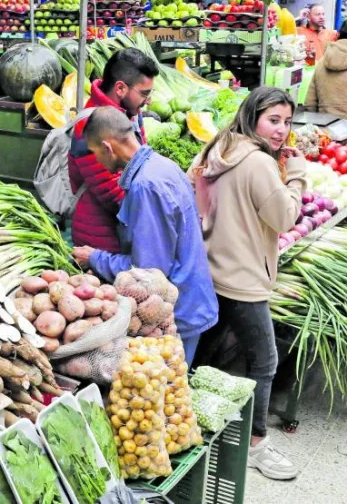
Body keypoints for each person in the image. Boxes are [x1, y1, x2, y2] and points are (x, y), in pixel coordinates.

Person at [188, 87, 305, 481]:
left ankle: (189, 417)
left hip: (211, 269)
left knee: (205, 349)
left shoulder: (218, 146)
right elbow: (285, 217)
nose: (282, 131)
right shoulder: (257, 163)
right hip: (243, 279)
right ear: (253, 116)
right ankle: (256, 445)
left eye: (287, 122)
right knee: (265, 360)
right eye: (274, 120)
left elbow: (196, 193)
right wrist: (299, 176)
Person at [71, 107, 217, 363]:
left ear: (108, 147)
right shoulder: (161, 166)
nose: (97, 161)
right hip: (191, 298)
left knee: (171, 394)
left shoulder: (144, 186)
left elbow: (150, 274)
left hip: (178, 311)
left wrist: (95, 258)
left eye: (95, 153)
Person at [67, 48, 160, 253]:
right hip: (101, 240)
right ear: (120, 89)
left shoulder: (131, 113)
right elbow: (113, 194)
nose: (149, 100)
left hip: (120, 232)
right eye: (144, 93)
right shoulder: (91, 126)